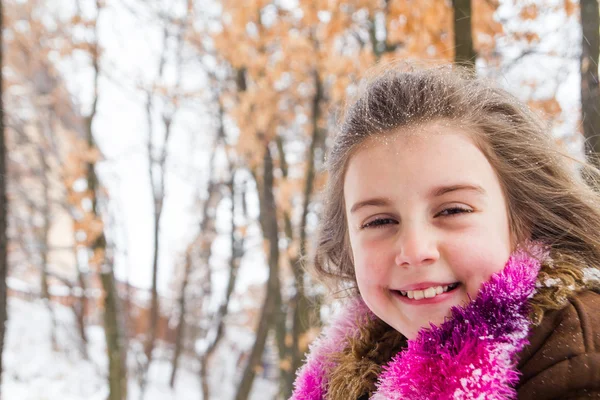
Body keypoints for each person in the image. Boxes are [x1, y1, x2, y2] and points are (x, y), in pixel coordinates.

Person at [290, 65, 600, 400]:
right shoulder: (345, 373)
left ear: (522, 220)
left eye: (452, 210)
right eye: (379, 221)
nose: (414, 250)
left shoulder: (577, 354)